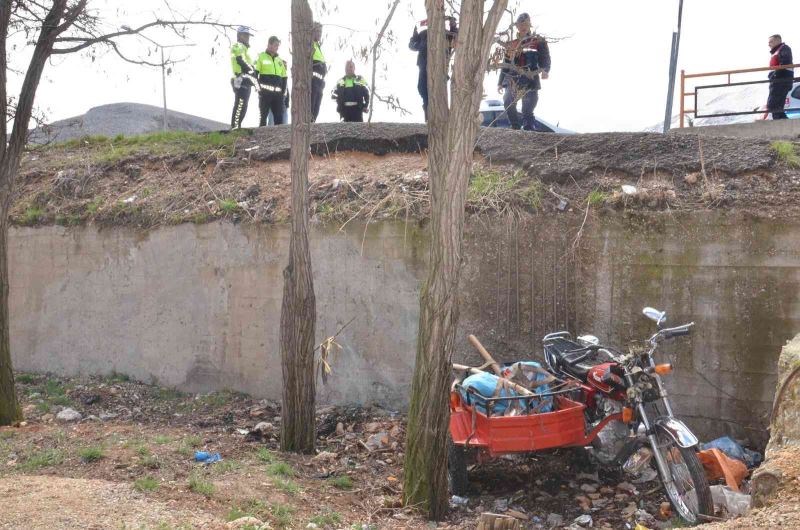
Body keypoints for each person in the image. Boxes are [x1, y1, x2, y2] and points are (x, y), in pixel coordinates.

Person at [498, 13, 551, 131]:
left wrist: (545, 70)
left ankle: (528, 128)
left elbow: (545, 57)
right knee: (508, 101)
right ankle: (515, 126)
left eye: (526, 24)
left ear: (530, 26)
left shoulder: (538, 41)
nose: (524, 26)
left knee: (528, 108)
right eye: (521, 24)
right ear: (517, 26)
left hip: (530, 78)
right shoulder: (512, 44)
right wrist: (500, 82)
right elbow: (505, 63)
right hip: (512, 78)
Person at [409, 15, 458, 120]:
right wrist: (414, 36)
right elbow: (412, 45)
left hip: (440, 67)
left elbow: (456, 38)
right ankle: (428, 114)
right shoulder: (424, 33)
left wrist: (453, 25)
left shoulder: (446, 34)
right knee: (422, 88)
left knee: (438, 92)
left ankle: (440, 116)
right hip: (423, 65)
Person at [255, 36, 290, 127]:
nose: (277, 47)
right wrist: (259, 90)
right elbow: (255, 74)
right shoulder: (261, 57)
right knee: (263, 118)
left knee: (279, 119)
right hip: (265, 94)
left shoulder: (279, 60)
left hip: (278, 95)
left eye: (278, 45)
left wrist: (282, 93)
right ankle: (261, 138)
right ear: (269, 44)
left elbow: (284, 77)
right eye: (275, 45)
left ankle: (279, 139)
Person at [230, 26, 256, 129]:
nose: (247, 37)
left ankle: (237, 126)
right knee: (240, 103)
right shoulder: (238, 46)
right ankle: (235, 127)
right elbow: (240, 60)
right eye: (245, 35)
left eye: (248, 35)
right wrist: (251, 70)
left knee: (244, 104)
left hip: (246, 80)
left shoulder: (245, 50)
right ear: (240, 35)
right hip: (239, 78)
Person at [767, 34, 794, 120]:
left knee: (773, 104)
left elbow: (785, 63)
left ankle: (779, 122)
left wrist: (774, 75)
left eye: (771, 42)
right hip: (779, 80)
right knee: (777, 105)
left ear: (778, 41)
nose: (769, 44)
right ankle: (782, 121)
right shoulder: (778, 50)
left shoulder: (784, 48)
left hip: (781, 80)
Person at [311, 22, 327, 122]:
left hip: (320, 82)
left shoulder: (317, 45)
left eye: (321, 32)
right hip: (313, 81)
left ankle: (313, 124)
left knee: (316, 109)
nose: (319, 34)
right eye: (317, 31)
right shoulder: (309, 44)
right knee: (311, 108)